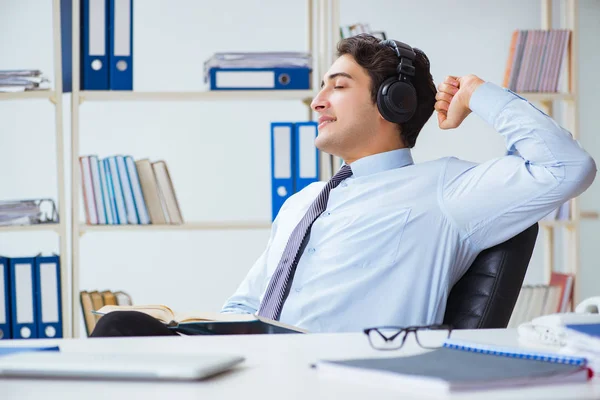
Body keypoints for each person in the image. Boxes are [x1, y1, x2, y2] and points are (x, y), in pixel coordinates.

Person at [91, 34, 595, 337]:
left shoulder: (445, 192)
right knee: (121, 329)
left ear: (393, 103)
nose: (316, 101)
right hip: (259, 365)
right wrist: (211, 334)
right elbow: (247, 304)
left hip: (331, 375)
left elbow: (565, 167)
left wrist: (477, 94)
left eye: (338, 85)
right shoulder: (303, 201)